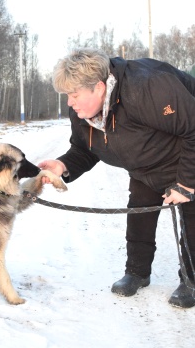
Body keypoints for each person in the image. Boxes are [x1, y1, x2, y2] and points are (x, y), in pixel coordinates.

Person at [39, 48, 195, 308]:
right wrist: (62, 165)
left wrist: (186, 183)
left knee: (191, 217)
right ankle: (136, 272)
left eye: (74, 95)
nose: (70, 102)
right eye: (68, 95)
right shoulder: (81, 112)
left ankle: (191, 280)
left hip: (186, 157)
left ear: (99, 88)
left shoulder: (147, 87)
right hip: (145, 166)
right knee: (139, 215)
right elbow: (84, 149)